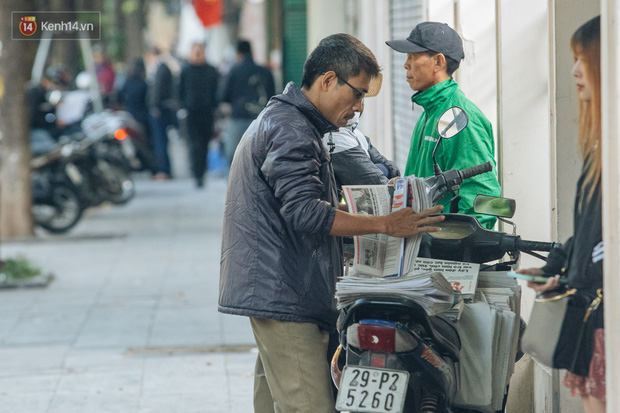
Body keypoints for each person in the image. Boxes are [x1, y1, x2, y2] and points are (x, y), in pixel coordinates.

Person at [219, 33, 445, 413]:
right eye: (356, 94)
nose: (358, 107)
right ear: (327, 80)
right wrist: (385, 224)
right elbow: (306, 212)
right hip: (285, 292)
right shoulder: (291, 130)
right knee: (308, 405)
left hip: (281, 289)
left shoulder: (294, 122)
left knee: (276, 403)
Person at [517, 16, 605, 413]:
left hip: (604, 320)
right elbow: (593, 234)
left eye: (582, 59)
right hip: (593, 319)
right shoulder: (601, 146)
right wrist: (561, 266)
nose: (573, 71)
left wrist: (574, 272)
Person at [386, 22, 501, 229]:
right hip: (423, 243)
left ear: (438, 62)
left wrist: (459, 252)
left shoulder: (460, 118)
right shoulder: (430, 112)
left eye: (412, 56)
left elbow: (484, 197)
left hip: (445, 250)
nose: (406, 64)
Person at [219, 39, 275, 167]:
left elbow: (223, 96)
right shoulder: (265, 71)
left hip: (238, 119)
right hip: (261, 121)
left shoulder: (234, 71)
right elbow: (274, 97)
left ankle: (234, 186)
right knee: (261, 158)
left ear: (238, 54)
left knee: (233, 158)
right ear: (252, 52)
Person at [323, 98, 400, 190]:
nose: (358, 107)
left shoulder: (355, 133)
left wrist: (377, 169)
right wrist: (379, 169)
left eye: (361, 99)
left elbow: (391, 169)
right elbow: (375, 182)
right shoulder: (335, 138)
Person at [179, 42, 219, 188]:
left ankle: (201, 171)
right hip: (191, 112)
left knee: (204, 144)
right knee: (194, 144)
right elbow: (180, 91)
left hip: (207, 112)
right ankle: (197, 173)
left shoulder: (211, 70)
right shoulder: (186, 71)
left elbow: (216, 91)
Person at [147, 47, 176, 180]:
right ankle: (164, 169)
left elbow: (157, 90)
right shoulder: (162, 68)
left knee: (161, 141)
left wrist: (154, 106)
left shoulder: (161, 68)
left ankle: (164, 170)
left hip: (160, 110)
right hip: (161, 109)